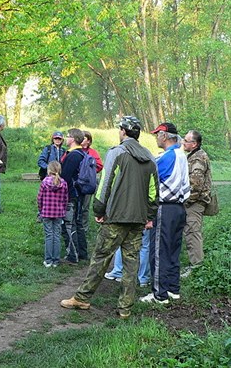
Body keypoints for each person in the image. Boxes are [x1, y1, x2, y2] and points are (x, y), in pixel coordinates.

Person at [60, 116, 159, 318]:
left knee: (101, 258)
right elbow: (153, 193)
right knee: (132, 264)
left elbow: (105, 184)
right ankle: (125, 309)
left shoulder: (117, 153)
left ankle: (82, 298)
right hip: (138, 220)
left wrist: (99, 210)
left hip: (115, 217)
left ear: (123, 131)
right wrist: (150, 216)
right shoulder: (150, 157)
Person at [140, 122, 190, 304]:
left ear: (166, 135)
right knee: (173, 250)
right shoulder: (181, 154)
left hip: (165, 207)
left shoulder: (167, 156)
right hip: (179, 208)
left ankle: (159, 294)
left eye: (157, 134)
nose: (156, 137)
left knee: (159, 251)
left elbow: (151, 178)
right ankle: (172, 289)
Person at [181, 129, 213, 278]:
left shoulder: (198, 159)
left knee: (193, 233)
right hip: (194, 202)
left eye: (186, 140)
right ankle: (195, 264)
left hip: (195, 203)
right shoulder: (195, 155)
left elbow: (196, 185)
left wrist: (187, 202)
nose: (183, 142)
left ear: (194, 144)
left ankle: (196, 267)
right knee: (191, 232)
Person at [60, 128, 87, 264]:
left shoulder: (73, 155)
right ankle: (82, 253)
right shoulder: (81, 154)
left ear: (74, 139)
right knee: (78, 222)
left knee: (69, 225)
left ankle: (73, 255)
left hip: (71, 194)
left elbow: (65, 176)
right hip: (79, 193)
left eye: (68, 136)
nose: (66, 138)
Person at [37, 161, 68, 268]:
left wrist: (40, 210)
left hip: (46, 212)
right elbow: (65, 200)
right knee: (57, 236)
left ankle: (48, 260)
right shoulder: (63, 183)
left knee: (49, 235)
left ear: (49, 170)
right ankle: (56, 260)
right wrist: (63, 211)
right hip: (59, 213)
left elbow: (39, 198)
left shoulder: (44, 182)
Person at [81, 131, 104, 235]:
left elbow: (99, 165)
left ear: (88, 141)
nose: (81, 139)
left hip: (87, 183)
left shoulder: (92, 152)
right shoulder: (75, 150)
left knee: (85, 206)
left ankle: (84, 228)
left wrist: (90, 172)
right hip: (76, 182)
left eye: (84, 138)